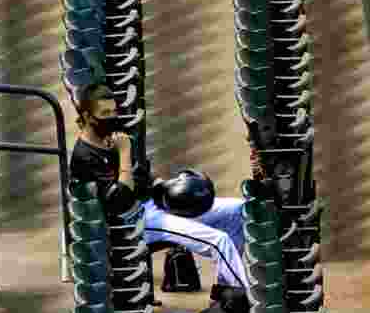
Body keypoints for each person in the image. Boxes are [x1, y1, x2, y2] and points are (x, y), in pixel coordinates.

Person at [69, 82, 251, 290]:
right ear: (86, 116)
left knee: (239, 211)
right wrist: (125, 153)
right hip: (134, 220)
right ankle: (242, 302)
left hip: (154, 206)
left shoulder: (110, 137)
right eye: (104, 113)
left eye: (114, 111)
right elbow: (119, 202)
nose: (112, 118)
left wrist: (166, 187)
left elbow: (142, 177)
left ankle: (228, 290)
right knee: (219, 241)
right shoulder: (84, 156)